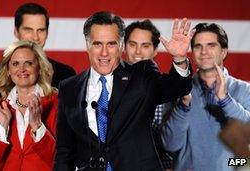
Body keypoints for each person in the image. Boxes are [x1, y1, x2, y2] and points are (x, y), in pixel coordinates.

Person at [54, 11, 194, 171]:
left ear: (121, 46)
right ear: (87, 45)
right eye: (97, 44)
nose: (104, 52)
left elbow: (176, 87)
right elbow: (65, 150)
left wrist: (179, 59)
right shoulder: (69, 87)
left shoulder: (141, 75)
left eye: (111, 44)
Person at [162, 23, 250, 171]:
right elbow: (170, 145)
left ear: (223, 52)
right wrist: (183, 105)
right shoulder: (178, 91)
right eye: (198, 46)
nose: (204, 51)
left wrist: (225, 100)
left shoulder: (245, 90)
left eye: (211, 45)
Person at [0, 40, 58, 170]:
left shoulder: (57, 102)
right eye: (15, 64)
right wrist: (3, 124)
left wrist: (37, 126)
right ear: (8, 70)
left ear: (39, 67)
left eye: (29, 63)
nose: (22, 69)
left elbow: (59, 161)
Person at [0, 2, 76, 90]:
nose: (35, 37)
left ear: (47, 33)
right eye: (28, 30)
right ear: (16, 32)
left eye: (41, 30)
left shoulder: (66, 74)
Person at [124, 19, 173, 170]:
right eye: (133, 45)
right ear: (124, 47)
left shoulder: (169, 89)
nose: (138, 51)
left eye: (145, 46)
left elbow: (176, 142)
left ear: (155, 50)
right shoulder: (107, 86)